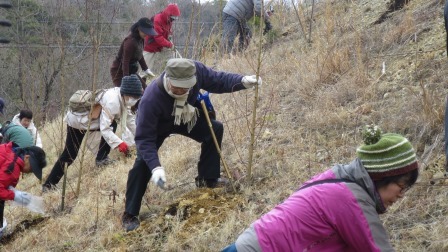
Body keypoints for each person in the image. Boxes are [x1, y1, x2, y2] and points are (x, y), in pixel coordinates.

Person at [222, 125, 419, 251]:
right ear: (381, 177)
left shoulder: (337, 177)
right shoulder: (352, 199)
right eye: (401, 186)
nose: (401, 195)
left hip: (251, 242)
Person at [121, 58, 263, 232]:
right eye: (179, 87)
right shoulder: (151, 99)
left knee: (214, 130)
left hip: (185, 116)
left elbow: (218, 80)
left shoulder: (196, 70)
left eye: (187, 86)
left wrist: (242, 81)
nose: (184, 90)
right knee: (143, 162)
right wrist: (156, 167)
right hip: (158, 126)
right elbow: (144, 139)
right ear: (169, 80)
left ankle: (207, 179)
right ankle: (130, 214)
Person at [42, 75, 143, 190]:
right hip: (78, 121)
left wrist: (142, 137)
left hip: (91, 120)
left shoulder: (124, 99)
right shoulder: (112, 101)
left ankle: (101, 158)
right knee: (70, 154)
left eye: (136, 97)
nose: (135, 100)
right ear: (126, 93)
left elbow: (130, 121)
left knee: (112, 123)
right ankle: (48, 185)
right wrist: (120, 144)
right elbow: (105, 129)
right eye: (134, 97)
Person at [0, 143, 47, 236]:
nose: (30, 171)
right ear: (27, 157)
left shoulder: (8, 150)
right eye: (32, 167)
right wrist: (14, 195)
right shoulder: (13, 167)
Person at [110, 17, 158, 88]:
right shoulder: (130, 42)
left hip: (131, 71)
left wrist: (146, 69)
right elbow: (125, 61)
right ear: (139, 29)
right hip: (119, 71)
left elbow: (139, 55)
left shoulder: (141, 39)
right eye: (145, 31)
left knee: (144, 89)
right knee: (125, 93)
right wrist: (126, 79)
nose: (146, 34)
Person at [139, 3, 181, 76]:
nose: (173, 20)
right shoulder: (157, 19)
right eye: (173, 18)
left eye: (175, 18)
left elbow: (167, 31)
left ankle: (176, 73)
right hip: (149, 47)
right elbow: (158, 37)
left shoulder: (169, 21)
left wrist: (169, 36)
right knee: (145, 70)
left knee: (175, 54)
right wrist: (169, 45)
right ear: (168, 14)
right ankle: (140, 85)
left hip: (158, 46)